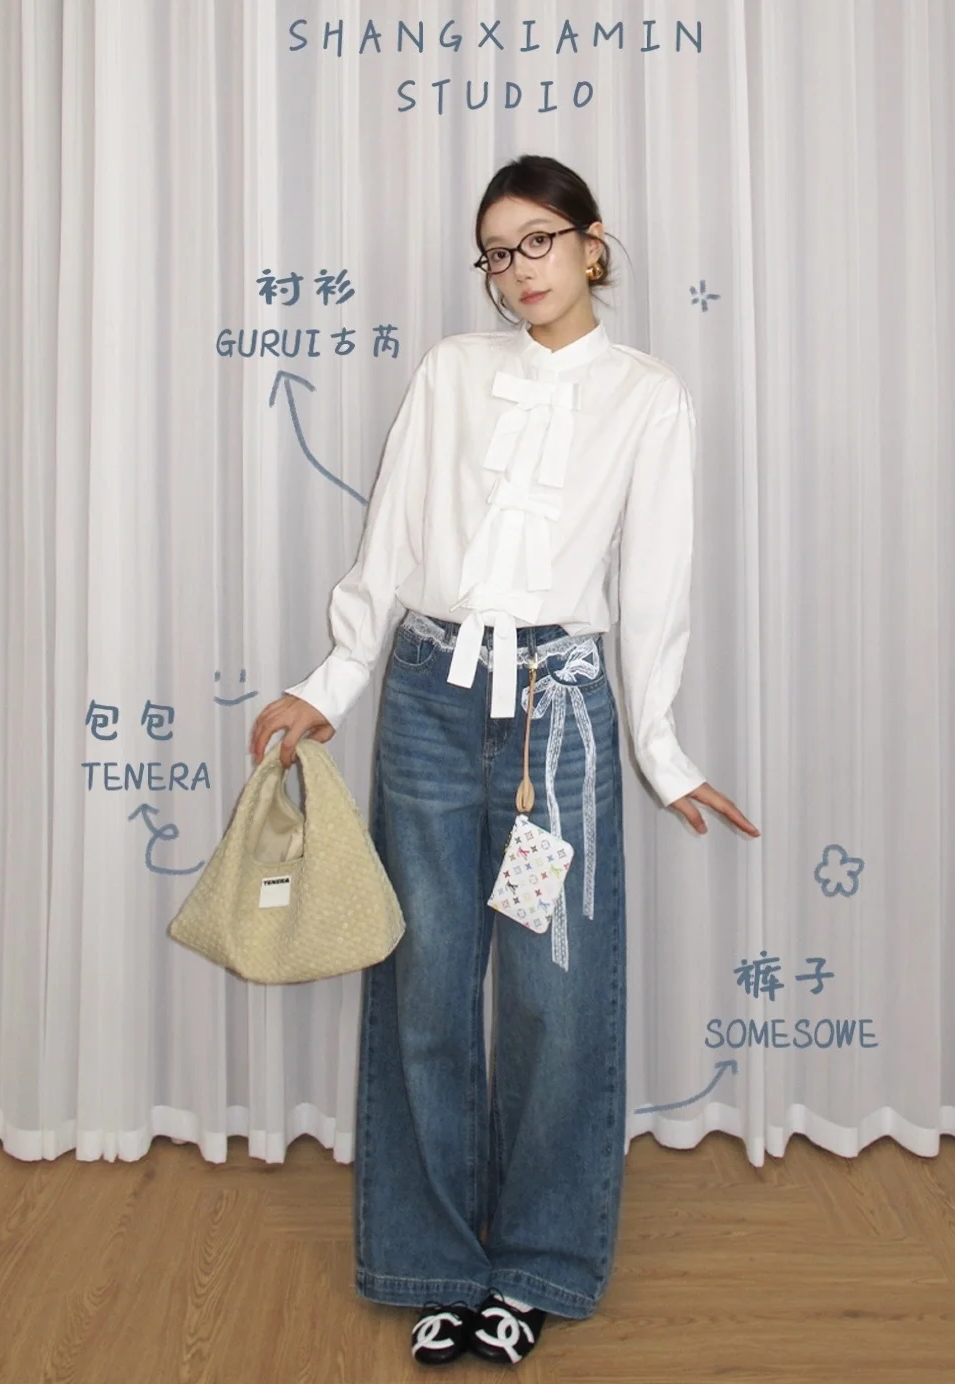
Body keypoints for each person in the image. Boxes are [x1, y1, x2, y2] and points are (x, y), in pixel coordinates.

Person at [249, 153, 759, 1369]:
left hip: (560, 713)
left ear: (592, 243)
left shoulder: (648, 396)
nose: (517, 270)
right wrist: (333, 682)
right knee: (423, 982)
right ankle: (429, 1262)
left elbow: (656, 588)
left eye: (538, 241)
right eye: (495, 252)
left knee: (555, 998)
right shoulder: (450, 372)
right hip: (429, 693)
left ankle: (535, 1268)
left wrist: (661, 749)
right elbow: (390, 542)